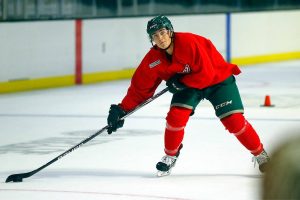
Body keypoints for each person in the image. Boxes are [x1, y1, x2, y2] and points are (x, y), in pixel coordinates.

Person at [107, 15, 270, 176]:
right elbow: (140, 89)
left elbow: (207, 73)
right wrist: (121, 110)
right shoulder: (153, 60)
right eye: (155, 35)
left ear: (170, 31)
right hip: (188, 85)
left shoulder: (189, 43)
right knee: (175, 118)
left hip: (217, 79)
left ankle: (260, 154)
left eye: (162, 32)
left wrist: (182, 82)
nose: (160, 38)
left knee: (234, 121)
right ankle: (170, 156)